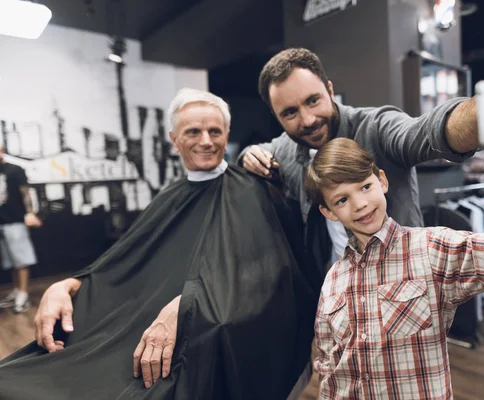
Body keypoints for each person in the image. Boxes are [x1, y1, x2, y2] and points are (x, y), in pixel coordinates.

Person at [0, 89, 319, 399]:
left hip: (201, 341)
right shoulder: (169, 197)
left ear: (227, 133)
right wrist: (69, 284)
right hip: (135, 332)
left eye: (214, 131)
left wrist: (188, 305)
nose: (206, 141)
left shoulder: (250, 189)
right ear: (174, 140)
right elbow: (122, 264)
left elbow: (260, 272)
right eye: (193, 131)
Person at [303, 136, 484, 399]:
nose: (360, 204)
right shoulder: (333, 281)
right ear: (328, 212)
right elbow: (329, 366)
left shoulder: (431, 249)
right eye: (342, 199)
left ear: (382, 181)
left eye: (365, 186)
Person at [240, 47, 484, 267]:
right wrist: (248, 154)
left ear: (329, 90)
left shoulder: (376, 126)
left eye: (313, 101)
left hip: (401, 279)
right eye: (290, 112)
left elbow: (427, 132)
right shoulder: (285, 148)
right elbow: (258, 154)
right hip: (333, 288)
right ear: (276, 116)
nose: (307, 119)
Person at [0, 144, 42, 313]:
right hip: (1, 223)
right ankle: (17, 290)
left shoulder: (15, 170)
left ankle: (23, 295)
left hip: (15, 221)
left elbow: (26, 193)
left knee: (21, 260)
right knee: (11, 261)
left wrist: (30, 213)